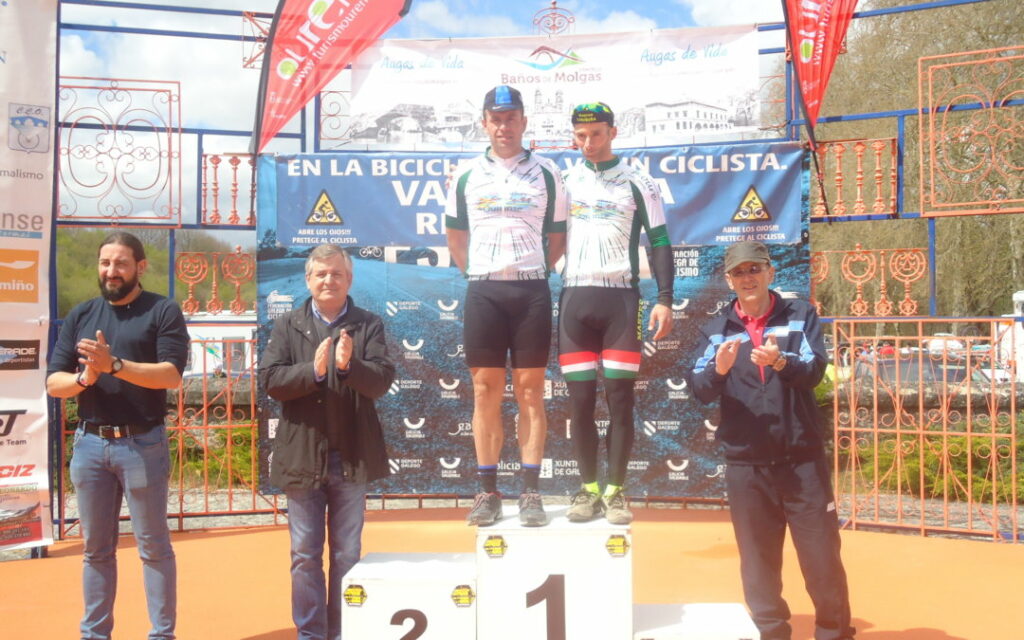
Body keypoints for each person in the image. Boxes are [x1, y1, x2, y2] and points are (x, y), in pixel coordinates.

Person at [688, 240, 855, 640]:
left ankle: (833, 631)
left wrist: (780, 361)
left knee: (821, 557)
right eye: (739, 272)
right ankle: (771, 632)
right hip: (746, 465)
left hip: (802, 461)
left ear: (770, 272)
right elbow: (699, 388)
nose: (747, 278)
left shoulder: (800, 315)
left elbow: (814, 371)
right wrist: (719, 370)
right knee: (758, 562)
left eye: (754, 269)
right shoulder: (715, 329)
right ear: (729, 280)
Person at [46, 232, 189, 640]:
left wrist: (115, 365)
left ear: (140, 267)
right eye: (105, 262)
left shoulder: (163, 310)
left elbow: (172, 375)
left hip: (142, 444)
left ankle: (161, 634)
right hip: (90, 446)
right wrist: (84, 378)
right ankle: (95, 634)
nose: (112, 271)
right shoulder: (81, 315)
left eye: (121, 263)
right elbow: (54, 383)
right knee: (95, 550)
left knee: (153, 547)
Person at [445, 84, 567, 527]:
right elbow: (456, 237)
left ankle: (530, 491)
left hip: (531, 290)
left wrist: (532, 268)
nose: (504, 126)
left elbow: (558, 236)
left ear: (523, 121)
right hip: (484, 291)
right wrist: (480, 273)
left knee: (531, 391)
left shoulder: (548, 172)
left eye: (511, 118)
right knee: (484, 390)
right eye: (496, 119)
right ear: (484, 123)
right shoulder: (465, 174)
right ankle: (487, 490)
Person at [259, 244, 395, 640]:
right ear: (308, 280)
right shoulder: (287, 325)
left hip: (351, 456)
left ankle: (343, 631)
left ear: (349, 279)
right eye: (320, 274)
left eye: (336, 273)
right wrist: (313, 372)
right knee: (304, 554)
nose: (328, 280)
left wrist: (349, 366)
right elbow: (271, 381)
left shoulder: (368, 325)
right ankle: (311, 633)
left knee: (347, 553)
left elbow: (381, 381)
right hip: (302, 456)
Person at [558, 102, 674, 525]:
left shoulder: (639, 181)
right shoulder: (563, 181)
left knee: (620, 401)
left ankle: (616, 491)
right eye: (581, 135)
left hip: (621, 301)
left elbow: (659, 241)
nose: (588, 143)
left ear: (613, 132)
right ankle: (588, 489)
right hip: (574, 299)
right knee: (580, 403)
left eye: (596, 134)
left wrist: (665, 297)